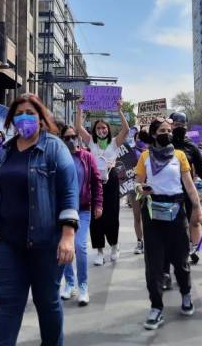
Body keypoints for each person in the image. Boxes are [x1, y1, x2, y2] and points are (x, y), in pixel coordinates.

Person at [0, 94, 78, 346]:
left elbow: (68, 192)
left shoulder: (54, 147)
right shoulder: (6, 150)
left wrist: (68, 236)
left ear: (41, 119)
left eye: (30, 112)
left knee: (47, 303)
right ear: (12, 120)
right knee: (8, 304)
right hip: (10, 243)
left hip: (47, 243)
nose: (24, 117)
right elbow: (1, 191)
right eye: (19, 113)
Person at [135, 117, 202, 331]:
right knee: (154, 264)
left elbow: (189, 185)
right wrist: (142, 189)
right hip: (153, 212)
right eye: (163, 130)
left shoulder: (180, 155)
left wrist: (199, 210)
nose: (167, 133)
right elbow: (138, 183)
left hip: (176, 212)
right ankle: (156, 307)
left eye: (169, 129)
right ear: (154, 133)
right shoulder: (145, 157)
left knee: (181, 259)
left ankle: (186, 294)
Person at [75, 99, 129, 266]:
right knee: (95, 217)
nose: (101, 130)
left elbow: (126, 129)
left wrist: (119, 110)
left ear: (108, 129)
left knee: (112, 215)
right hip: (94, 181)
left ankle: (114, 246)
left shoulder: (114, 143)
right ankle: (99, 251)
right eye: (98, 128)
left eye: (104, 128)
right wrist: (79, 109)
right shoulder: (91, 141)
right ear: (95, 130)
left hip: (111, 181)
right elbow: (78, 128)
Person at [59, 125, 102, 307]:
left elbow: (96, 181)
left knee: (79, 245)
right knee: (63, 246)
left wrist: (98, 204)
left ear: (78, 138)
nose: (70, 140)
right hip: (62, 210)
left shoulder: (87, 157)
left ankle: (83, 286)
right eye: (66, 137)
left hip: (83, 209)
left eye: (73, 137)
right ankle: (70, 283)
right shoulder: (58, 158)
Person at [170, 112, 202, 265]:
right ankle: (176, 249)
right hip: (170, 192)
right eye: (176, 125)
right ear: (171, 125)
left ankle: (194, 248)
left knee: (194, 220)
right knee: (175, 224)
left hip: (188, 189)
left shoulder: (191, 146)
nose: (180, 128)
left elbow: (201, 170)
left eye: (182, 125)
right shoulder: (164, 144)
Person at [130, 130, 148, 255]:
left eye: (143, 137)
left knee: (149, 217)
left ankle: (149, 241)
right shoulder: (131, 152)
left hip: (149, 188)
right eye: (138, 137)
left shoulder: (153, 152)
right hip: (134, 187)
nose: (140, 140)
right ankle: (139, 241)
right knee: (137, 216)